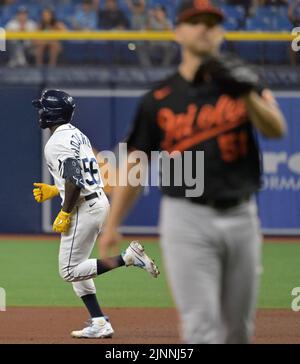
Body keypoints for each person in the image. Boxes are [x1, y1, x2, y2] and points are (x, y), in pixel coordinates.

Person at [99, 0, 287, 344]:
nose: (204, 28)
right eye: (195, 21)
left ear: (221, 32)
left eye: (211, 22)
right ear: (178, 32)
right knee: (200, 327)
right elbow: (136, 164)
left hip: (241, 214)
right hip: (186, 218)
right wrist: (112, 225)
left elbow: (276, 129)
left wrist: (246, 93)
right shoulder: (159, 99)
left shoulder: (244, 82)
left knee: (238, 330)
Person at [32, 89, 159, 339]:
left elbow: (76, 179)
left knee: (68, 270)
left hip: (83, 207)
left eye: (43, 108)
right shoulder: (78, 135)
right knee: (80, 267)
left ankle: (127, 258)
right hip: (97, 201)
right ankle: (99, 322)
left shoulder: (55, 142)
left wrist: (65, 211)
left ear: (51, 113)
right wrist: (54, 189)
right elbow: (78, 174)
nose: (41, 112)